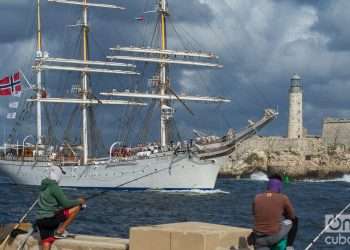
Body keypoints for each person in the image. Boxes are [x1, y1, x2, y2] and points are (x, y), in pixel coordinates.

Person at [36, 165, 85, 250]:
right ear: (58, 174)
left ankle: (55, 232)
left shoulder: (43, 185)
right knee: (77, 207)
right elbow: (66, 204)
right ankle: (60, 230)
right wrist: (79, 201)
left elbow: (50, 204)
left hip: (40, 221)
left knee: (47, 241)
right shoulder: (54, 187)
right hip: (50, 220)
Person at [249, 174, 298, 250]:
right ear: (279, 186)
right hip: (274, 237)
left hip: (259, 239)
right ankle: (289, 246)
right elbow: (292, 216)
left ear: (268, 186)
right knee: (295, 220)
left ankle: (253, 237)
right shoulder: (283, 198)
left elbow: (255, 214)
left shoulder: (257, 197)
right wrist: (283, 214)